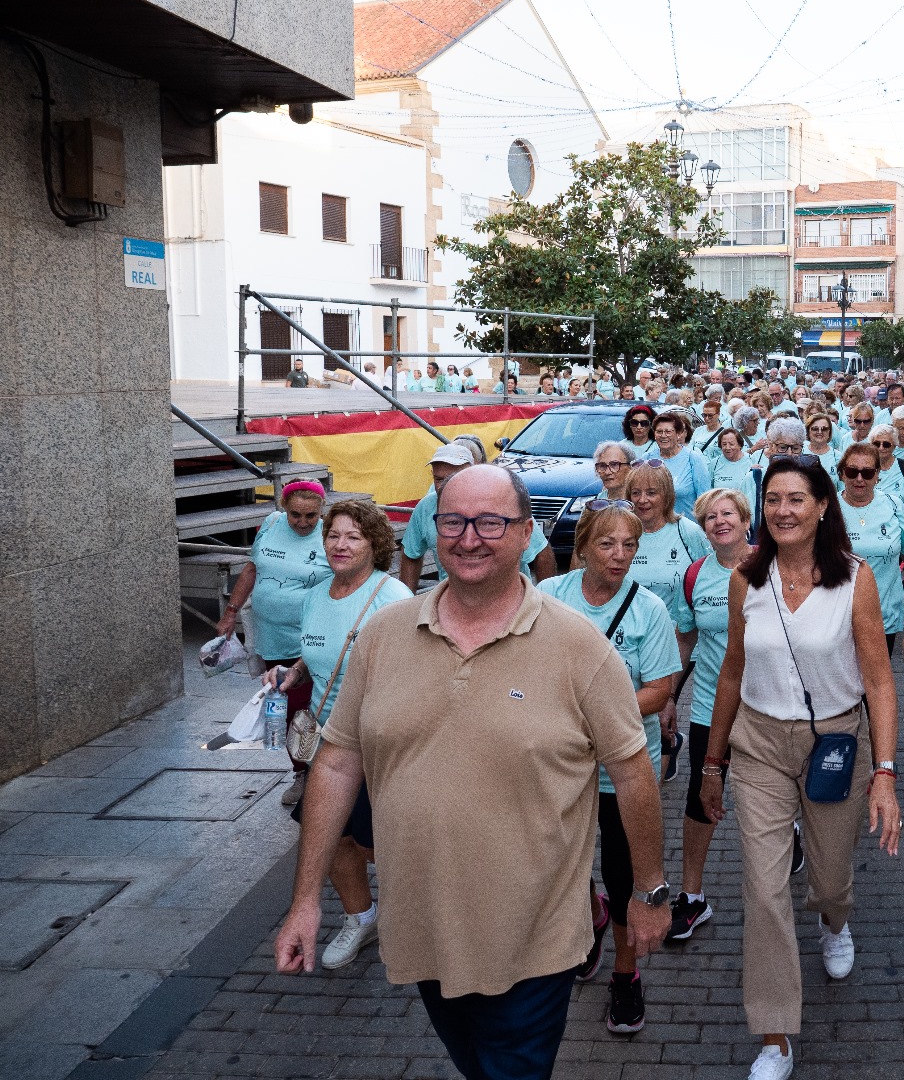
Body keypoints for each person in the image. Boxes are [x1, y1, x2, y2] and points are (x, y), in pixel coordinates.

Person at [276, 466, 671, 1079]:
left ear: (527, 534)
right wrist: (305, 900)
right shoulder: (383, 636)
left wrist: (648, 891)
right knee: (472, 1061)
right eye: (453, 521)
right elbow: (336, 762)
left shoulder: (579, 646)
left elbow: (634, 773)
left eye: (491, 522)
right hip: (424, 926)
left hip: (535, 935)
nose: (468, 538)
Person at [700, 456, 901, 1080]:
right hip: (758, 743)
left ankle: (834, 920)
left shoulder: (855, 579)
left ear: (821, 506)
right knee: (763, 889)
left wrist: (886, 772)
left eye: (795, 499)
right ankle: (775, 1035)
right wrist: (712, 762)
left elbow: (879, 680)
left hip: (835, 743)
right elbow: (732, 670)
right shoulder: (745, 578)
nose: (782, 511)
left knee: (831, 875)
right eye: (773, 499)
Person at [538, 505, 679, 1034]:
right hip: (563, 766)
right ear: (581, 548)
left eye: (629, 546)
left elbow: (659, 690)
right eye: (607, 544)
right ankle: (590, 916)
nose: (619, 556)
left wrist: (593, 719)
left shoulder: (648, 609)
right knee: (562, 865)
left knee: (623, 876)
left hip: (624, 770)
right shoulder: (549, 598)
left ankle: (625, 973)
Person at [273, 499, 410, 969]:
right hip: (326, 742)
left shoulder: (392, 597)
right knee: (328, 839)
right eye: (333, 535)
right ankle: (361, 918)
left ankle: (412, 915)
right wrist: (294, 672)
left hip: (376, 744)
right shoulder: (316, 595)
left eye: (353, 536)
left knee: (376, 845)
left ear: (374, 544)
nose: (340, 544)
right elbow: (319, 650)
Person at [669, 488, 754, 942]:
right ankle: (692, 896)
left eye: (728, 514)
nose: (720, 522)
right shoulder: (695, 575)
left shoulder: (772, 566)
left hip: (766, 706)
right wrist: (669, 696)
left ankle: (794, 831)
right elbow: (685, 639)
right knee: (701, 797)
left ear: (746, 520)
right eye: (710, 517)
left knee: (784, 791)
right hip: (708, 705)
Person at [218, 480, 331, 806]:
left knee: (304, 710)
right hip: (271, 637)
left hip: (311, 638)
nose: (303, 522)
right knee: (283, 711)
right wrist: (230, 613)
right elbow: (251, 570)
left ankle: (313, 773)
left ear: (321, 511)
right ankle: (303, 770)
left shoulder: (329, 535)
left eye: (311, 515)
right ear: (283, 508)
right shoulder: (270, 524)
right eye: (295, 514)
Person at [400, 443, 554, 591]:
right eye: (439, 479)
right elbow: (410, 554)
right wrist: (405, 600)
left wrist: (546, 599)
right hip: (455, 599)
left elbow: (541, 552)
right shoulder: (426, 507)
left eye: (453, 477)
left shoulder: (500, 499)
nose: (445, 485)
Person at [837, 443, 904, 658]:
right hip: (837, 616)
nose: (859, 479)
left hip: (884, 615)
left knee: (877, 676)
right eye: (852, 472)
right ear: (842, 473)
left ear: (877, 475)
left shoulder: (894, 505)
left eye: (867, 473)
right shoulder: (828, 508)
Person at [621, 461, 711, 612]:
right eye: (636, 493)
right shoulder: (621, 533)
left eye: (651, 493)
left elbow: (710, 581)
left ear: (667, 495)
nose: (642, 500)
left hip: (676, 626)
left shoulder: (689, 532)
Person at [652, 409, 712, 518]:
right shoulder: (647, 459)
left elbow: (705, 499)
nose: (663, 435)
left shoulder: (693, 458)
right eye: (659, 432)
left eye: (668, 431)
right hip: (655, 525)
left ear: (678, 434)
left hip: (687, 524)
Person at [868, 424, 904, 512]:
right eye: (876, 444)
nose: (881, 448)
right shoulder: (865, 468)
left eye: (886, 444)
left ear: (895, 445)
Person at [803, 412, 840, 482]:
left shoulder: (837, 457)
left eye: (824, 429)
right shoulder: (800, 453)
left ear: (829, 432)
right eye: (815, 429)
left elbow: (842, 485)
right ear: (808, 431)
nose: (819, 432)